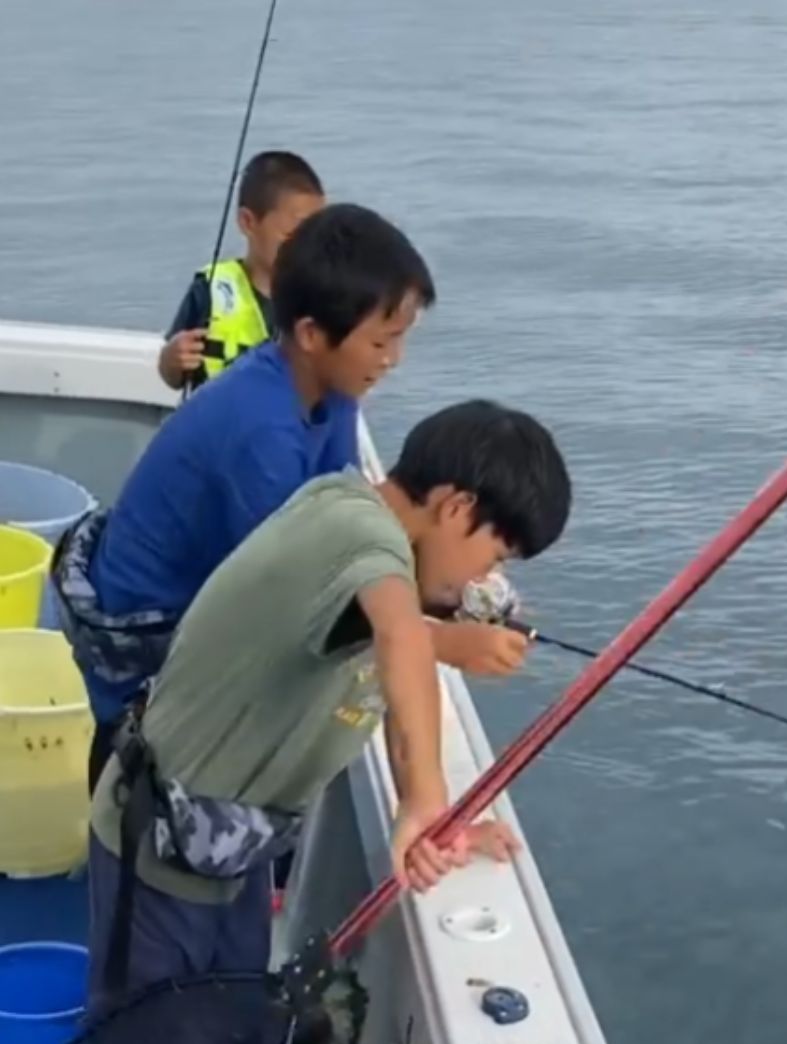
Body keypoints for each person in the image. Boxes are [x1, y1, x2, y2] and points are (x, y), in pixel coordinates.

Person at [85, 399, 571, 1017]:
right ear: (457, 508)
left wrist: (436, 820)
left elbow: (395, 640)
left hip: (231, 850)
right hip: (157, 857)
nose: (484, 580)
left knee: (224, 1030)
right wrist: (425, 802)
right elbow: (400, 636)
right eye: (495, 557)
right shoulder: (363, 539)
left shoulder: (349, 507)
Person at [53, 202, 530, 796]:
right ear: (311, 334)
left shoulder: (330, 393)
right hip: (144, 666)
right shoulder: (262, 432)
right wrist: (444, 642)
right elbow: (297, 599)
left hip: (202, 615)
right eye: (382, 342)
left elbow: (348, 525)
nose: (394, 360)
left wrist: (440, 592)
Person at [157, 149, 327, 392]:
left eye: (313, 236)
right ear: (248, 222)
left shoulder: (324, 297)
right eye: (290, 236)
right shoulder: (209, 290)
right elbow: (173, 378)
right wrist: (171, 360)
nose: (304, 247)